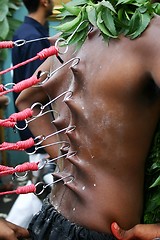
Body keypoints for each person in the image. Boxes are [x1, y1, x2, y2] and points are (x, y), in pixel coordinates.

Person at [16, 0, 160, 239]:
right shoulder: (152, 33)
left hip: (51, 219)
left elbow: (26, 101)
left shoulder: (73, 36)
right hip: (109, 231)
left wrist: (66, 159)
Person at [6, 0, 54, 228]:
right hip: (40, 127)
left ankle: (19, 227)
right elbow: (34, 95)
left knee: (38, 187)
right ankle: (14, 227)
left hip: (31, 125)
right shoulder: (34, 39)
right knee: (39, 186)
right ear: (44, 2)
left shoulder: (26, 33)